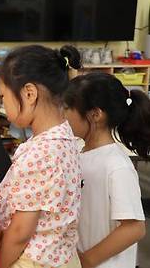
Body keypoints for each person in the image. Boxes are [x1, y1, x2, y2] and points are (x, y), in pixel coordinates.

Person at [0, 45, 83, 268]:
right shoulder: (63, 136)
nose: (2, 103)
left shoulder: (41, 154)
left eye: (3, 96)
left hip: (32, 261)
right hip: (60, 255)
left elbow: (20, 232)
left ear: (29, 93)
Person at [63, 72, 148, 268]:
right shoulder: (78, 150)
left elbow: (134, 228)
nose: (63, 114)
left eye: (68, 108)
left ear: (95, 115)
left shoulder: (116, 166)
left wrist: (87, 261)